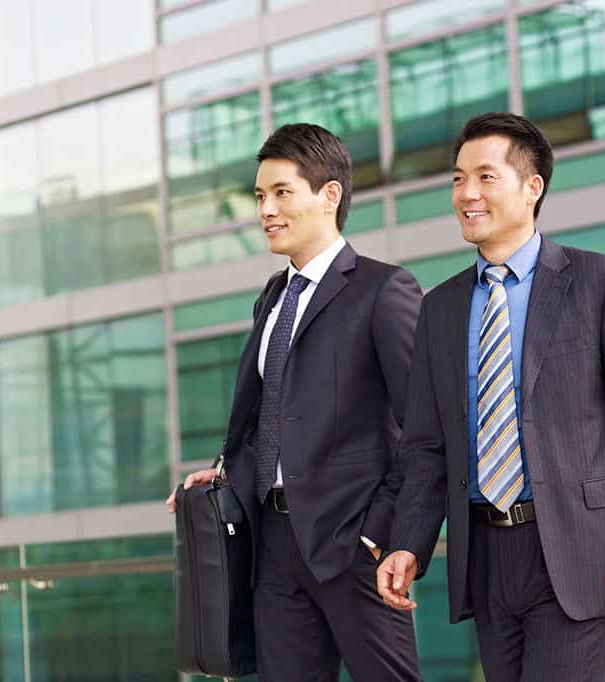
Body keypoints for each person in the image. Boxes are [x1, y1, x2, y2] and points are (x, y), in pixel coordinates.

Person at [377, 112, 605, 682]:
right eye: (457, 178)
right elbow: (424, 446)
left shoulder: (599, 283)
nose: (467, 193)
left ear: (532, 187)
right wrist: (409, 545)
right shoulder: (439, 308)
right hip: (487, 555)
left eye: (486, 177)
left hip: (577, 549)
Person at [166, 123, 422, 682]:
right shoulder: (273, 297)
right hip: (273, 545)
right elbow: (269, 411)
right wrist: (223, 474)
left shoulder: (384, 290)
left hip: (353, 546)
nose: (266, 210)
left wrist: (377, 532)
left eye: (282, 192)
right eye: (260, 196)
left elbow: (423, 430)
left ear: (329, 195)